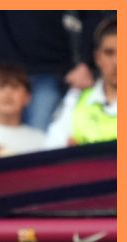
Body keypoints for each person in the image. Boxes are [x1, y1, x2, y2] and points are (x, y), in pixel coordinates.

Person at [45, 18, 117, 148]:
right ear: (97, 58)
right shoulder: (76, 98)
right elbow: (51, 149)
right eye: (109, 53)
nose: (117, 62)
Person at [0, 65, 47, 155]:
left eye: (15, 87)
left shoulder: (41, 140)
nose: (7, 93)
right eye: (1, 87)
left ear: (27, 98)